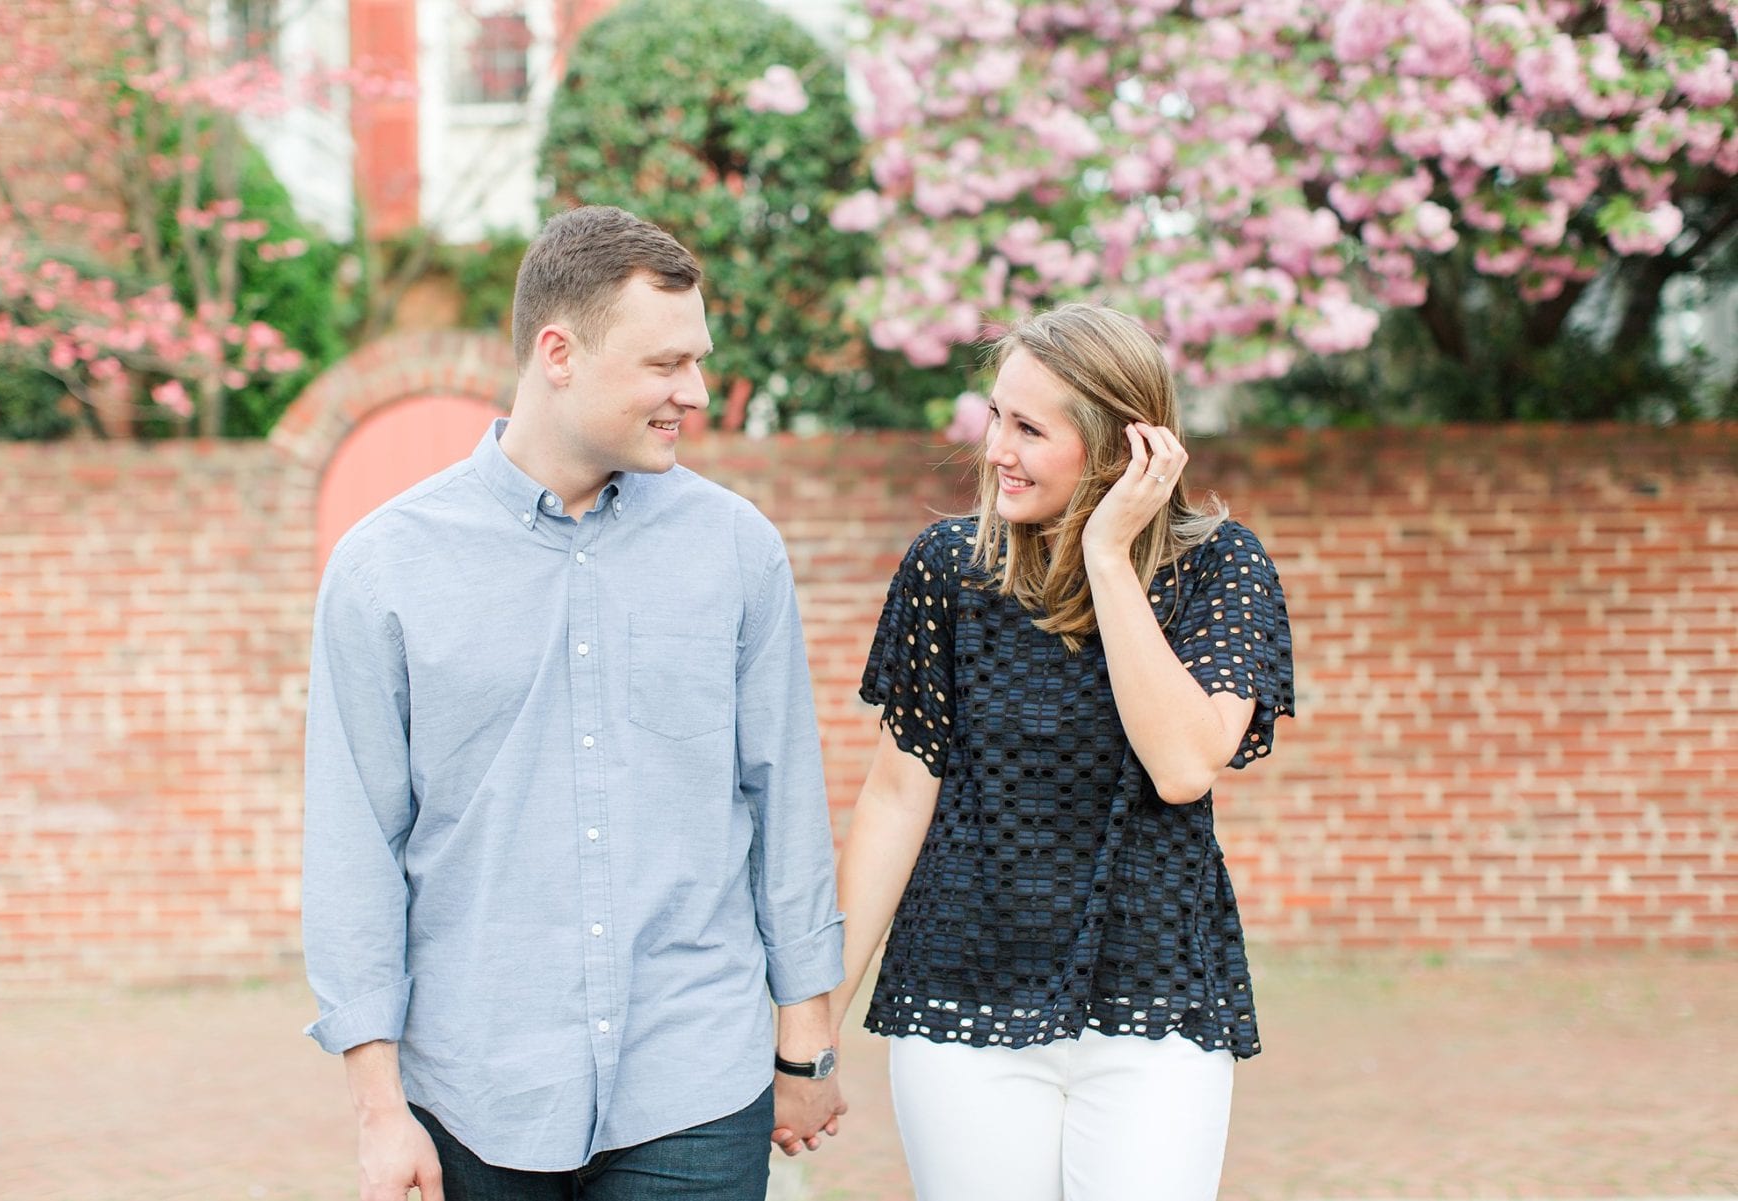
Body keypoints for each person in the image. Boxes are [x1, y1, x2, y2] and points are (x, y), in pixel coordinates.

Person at [301, 205, 845, 1201]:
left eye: (698, 360)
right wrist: (380, 1109)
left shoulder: (735, 550)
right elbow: (354, 846)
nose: (697, 391)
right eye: (665, 364)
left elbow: (786, 801)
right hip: (473, 1092)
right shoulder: (385, 567)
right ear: (558, 351)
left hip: (695, 1082)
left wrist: (804, 1043)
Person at [831, 304, 1294, 1201]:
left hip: (1153, 999)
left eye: (1030, 428)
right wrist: (813, 1030)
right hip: (962, 990)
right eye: (996, 415)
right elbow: (895, 797)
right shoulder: (947, 570)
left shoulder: (1222, 570)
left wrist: (1109, 556)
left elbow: (1183, 763)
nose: (996, 447)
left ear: (1122, 449)